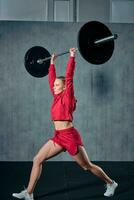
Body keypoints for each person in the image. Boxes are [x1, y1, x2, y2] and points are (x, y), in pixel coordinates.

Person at [12, 48, 118, 200]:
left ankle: (111, 183)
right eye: (54, 85)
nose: (53, 87)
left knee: (86, 166)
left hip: (70, 137)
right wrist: (52, 64)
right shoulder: (56, 97)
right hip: (59, 137)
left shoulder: (67, 97)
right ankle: (29, 193)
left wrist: (72, 57)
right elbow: (51, 79)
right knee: (37, 160)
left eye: (57, 85)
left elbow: (69, 77)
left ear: (64, 87)